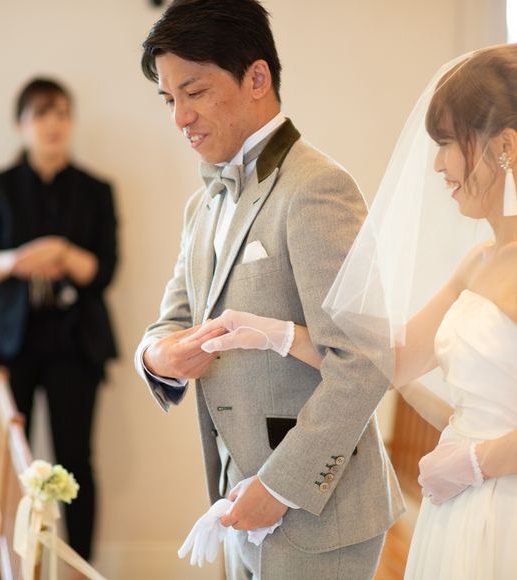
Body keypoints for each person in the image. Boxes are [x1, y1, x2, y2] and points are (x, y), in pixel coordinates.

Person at [198, 45, 517, 579]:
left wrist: (475, 462)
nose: (438, 164)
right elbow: (388, 361)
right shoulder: (479, 261)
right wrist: (280, 335)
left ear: (505, 146)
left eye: (447, 144)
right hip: (460, 501)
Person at [134, 1, 404, 578]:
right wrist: (157, 356)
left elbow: (364, 359)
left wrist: (280, 487)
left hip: (318, 513)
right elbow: (169, 320)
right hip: (235, 498)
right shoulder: (202, 205)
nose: (180, 117)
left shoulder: (318, 187)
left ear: (257, 78)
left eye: (194, 91)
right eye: (168, 98)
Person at [0, 78, 118, 563]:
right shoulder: (0, 185)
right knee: (9, 464)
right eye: (41, 114)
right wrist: (17, 261)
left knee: (76, 460)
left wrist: (64, 253)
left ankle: (81, 567)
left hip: (75, 342)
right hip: (8, 343)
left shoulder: (95, 190)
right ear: (21, 124)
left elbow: (105, 271)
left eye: (62, 113)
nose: (53, 124)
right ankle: (7, 563)